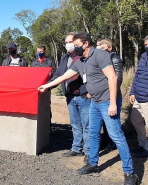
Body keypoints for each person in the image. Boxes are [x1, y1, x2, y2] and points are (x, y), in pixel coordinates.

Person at [38, 33, 138, 185]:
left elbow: (112, 77)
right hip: (95, 102)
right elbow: (65, 75)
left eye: (76, 44)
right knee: (93, 133)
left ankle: (130, 173)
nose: (74, 47)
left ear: (86, 44)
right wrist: (47, 85)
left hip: (107, 101)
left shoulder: (100, 55)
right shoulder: (80, 60)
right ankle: (93, 164)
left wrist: (113, 103)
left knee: (116, 135)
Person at [49, 32, 91, 164]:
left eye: (70, 42)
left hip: (84, 95)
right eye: (66, 42)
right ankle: (76, 148)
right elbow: (59, 74)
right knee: (75, 124)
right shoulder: (64, 58)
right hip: (70, 96)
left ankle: (89, 151)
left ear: (77, 42)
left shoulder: (84, 57)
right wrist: (47, 86)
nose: (68, 45)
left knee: (87, 125)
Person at [99, 39, 123, 151]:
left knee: (113, 122)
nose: (100, 50)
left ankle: (113, 143)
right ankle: (106, 140)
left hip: (113, 96)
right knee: (105, 121)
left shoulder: (115, 59)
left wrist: (111, 95)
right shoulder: (103, 59)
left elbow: (118, 80)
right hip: (103, 95)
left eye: (102, 48)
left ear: (110, 48)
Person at [129, 35, 148, 158]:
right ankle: (143, 144)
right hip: (138, 97)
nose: (147, 47)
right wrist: (132, 92)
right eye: (145, 45)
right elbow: (137, 76)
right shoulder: (143, 57)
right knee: (135, 121)